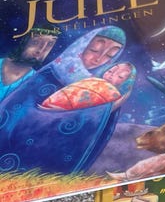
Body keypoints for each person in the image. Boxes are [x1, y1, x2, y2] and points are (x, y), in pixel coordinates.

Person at [0, 25, 128, 175]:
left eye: (109, 56)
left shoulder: (99, 85)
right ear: (82, 45)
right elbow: (19, 114)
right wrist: (105, 109)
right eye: (94, 50)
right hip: (15, 148)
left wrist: (107, 108)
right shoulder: (53, 73)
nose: (98, 59)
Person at [40, 62, 136, 111]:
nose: (111, 75)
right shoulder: (91, 80)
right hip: (51, 104)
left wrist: (64, 111)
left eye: (120, 76)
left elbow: (94, 113)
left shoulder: (114, 95)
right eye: (110, 71)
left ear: (126, 82)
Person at [0, 26, 60, 101]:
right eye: (36, 42)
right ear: (23, 41)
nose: (41, 50)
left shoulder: (37, 81)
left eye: (50, 44)